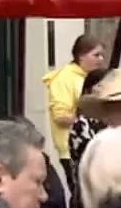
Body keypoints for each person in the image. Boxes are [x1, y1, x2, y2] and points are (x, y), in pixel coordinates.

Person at [42, 34, 107, 195]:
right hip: (72, 149)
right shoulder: (64, 78)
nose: (101, 59)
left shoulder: (89, 77)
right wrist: (88, 116)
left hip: (95, 146)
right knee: (83, 195)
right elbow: (60, 116)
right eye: (96, 55)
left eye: (102, 55)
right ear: (81, 56)